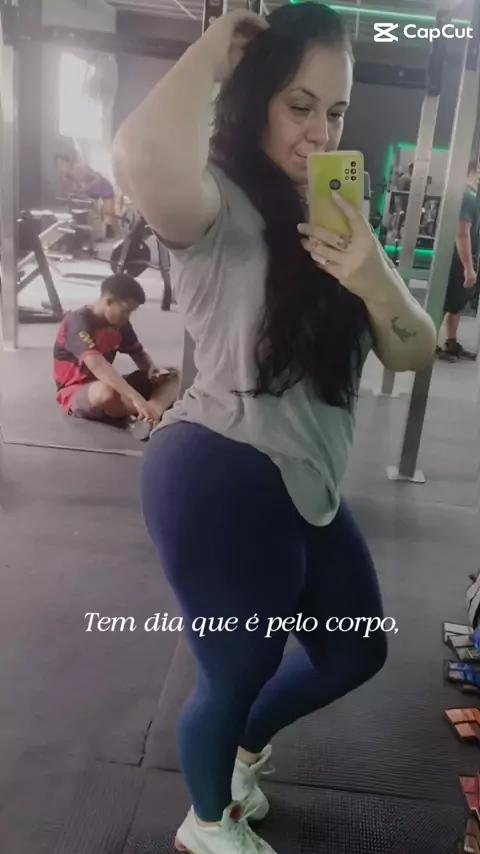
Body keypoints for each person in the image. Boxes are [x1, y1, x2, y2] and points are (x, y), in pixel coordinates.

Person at [113, 5, 437, 853]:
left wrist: (373, 275)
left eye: (336, 111)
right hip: (221, 466)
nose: (320, 130)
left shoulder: (339, 219)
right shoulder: (216, 203)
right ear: (255, 97)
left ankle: (240, 753)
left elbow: (412, 350)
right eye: (299, 105)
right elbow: (141, 154)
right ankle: (206, 823)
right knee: (238, 667)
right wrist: (212, 50)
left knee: (355, 650)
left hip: (306, 479)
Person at [53, 273, 178, 440]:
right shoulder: (77, 323)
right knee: (105, 393)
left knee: (173, 375)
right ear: (109, 301)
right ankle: (147, 412)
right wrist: (136, 398)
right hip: (77, 392)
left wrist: (152, 369)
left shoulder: (120, 324)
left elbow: (137, 353)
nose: (128, 316)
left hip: (112, 384)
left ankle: (152, 411)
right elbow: (97, 365)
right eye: (126, 310)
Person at [437, 159, 480, 362]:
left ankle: (451, 342)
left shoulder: (470, 195)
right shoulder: (467, 196)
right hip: (456, 259)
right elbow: (461, 233)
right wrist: (468, 268)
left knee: (455, 303)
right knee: (442, 304)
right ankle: (427, 344)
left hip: (459, 259)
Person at [55, 153, 118, 238]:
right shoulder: (67, 176)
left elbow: (99, 177)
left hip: (104, 188)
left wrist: (86, 188)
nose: (61, 167)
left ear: (68, 162)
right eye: (58, 165)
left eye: (62, 164)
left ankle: (117, 233)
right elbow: (69, 191)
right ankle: (97, 234)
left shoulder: (81, 168)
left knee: (109, 213)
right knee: (93, 215)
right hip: (93, 193)